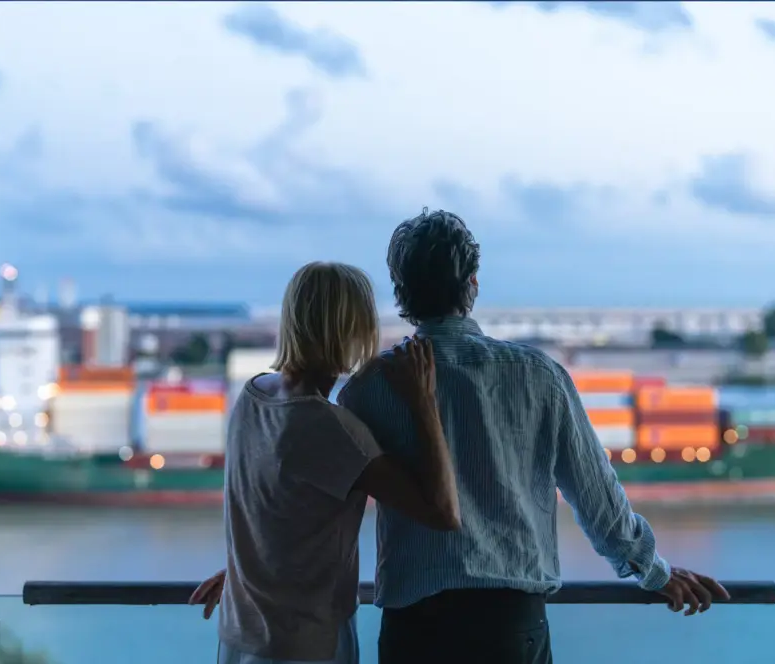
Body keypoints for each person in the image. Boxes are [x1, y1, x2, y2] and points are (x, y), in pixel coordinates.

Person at [336, 209, 730, 664]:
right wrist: (652, 571)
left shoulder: (367, 389)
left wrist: (253, 571)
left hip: (414, 630)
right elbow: (597, 497)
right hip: (509, 625)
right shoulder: (540, 376)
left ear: (402, 292)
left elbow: (321, 508)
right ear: (473, 285)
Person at [189, 261, 461, 664]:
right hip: (303, 647)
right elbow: (443, 513)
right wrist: (423, 403)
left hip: (237, 636)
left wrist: (246, 573)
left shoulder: (251, 397)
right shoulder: (333, 431)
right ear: (350, 331)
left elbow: (272, 510)